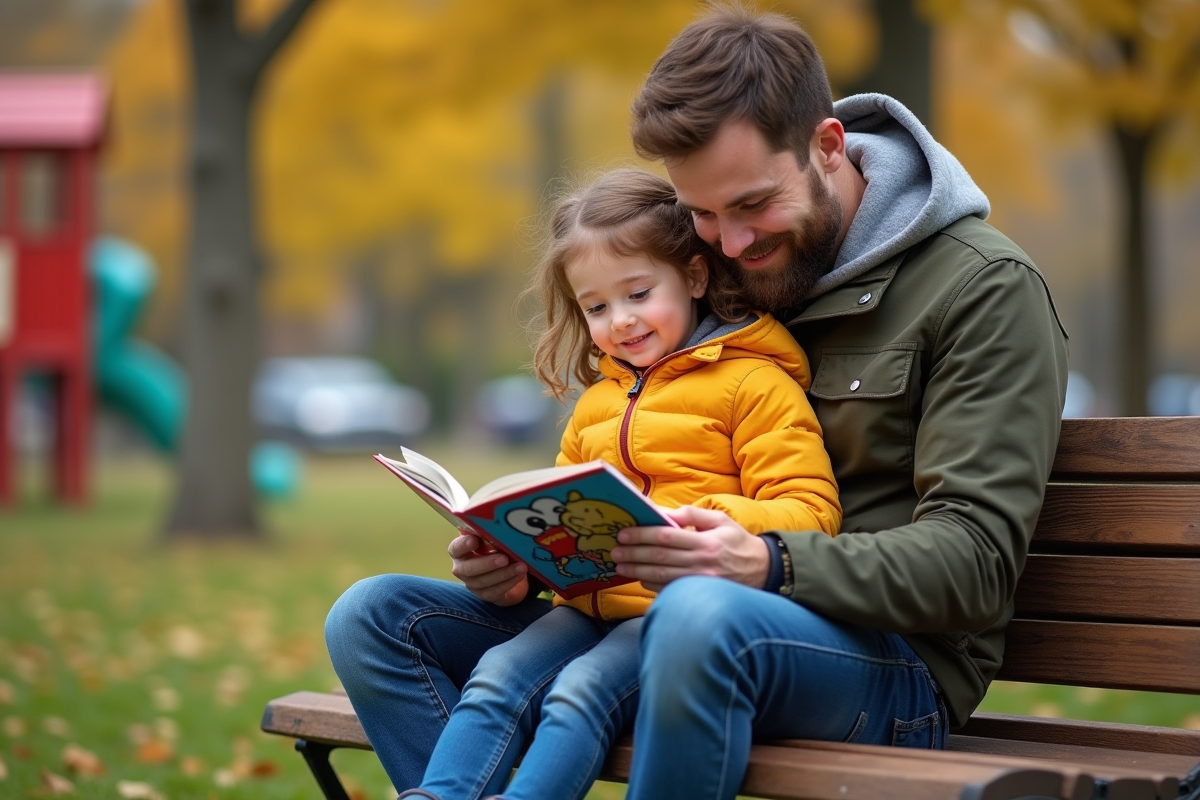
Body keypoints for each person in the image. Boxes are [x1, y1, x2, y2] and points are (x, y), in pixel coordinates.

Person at [601, 5, 1070, 799]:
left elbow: (975, 563)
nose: (731, 243)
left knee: (696, 624)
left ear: (827, 147)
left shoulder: (981, 288)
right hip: (684, 619)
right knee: (382, 621)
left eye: (751, 205)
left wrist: (767, 561)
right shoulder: (724, 268)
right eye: (702, 214)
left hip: (897, 665)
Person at [326, 167, 842, 800]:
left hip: (673, 623)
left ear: (695, 276)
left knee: (578, 694)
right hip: (583, 611)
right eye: (596, 307)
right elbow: (564, 528)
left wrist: (701, 519)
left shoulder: (755, 384)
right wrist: (512, 561)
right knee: (496, 676)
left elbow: (811, 512)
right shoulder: (596, 405)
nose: (621, 321)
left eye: (638, 293)